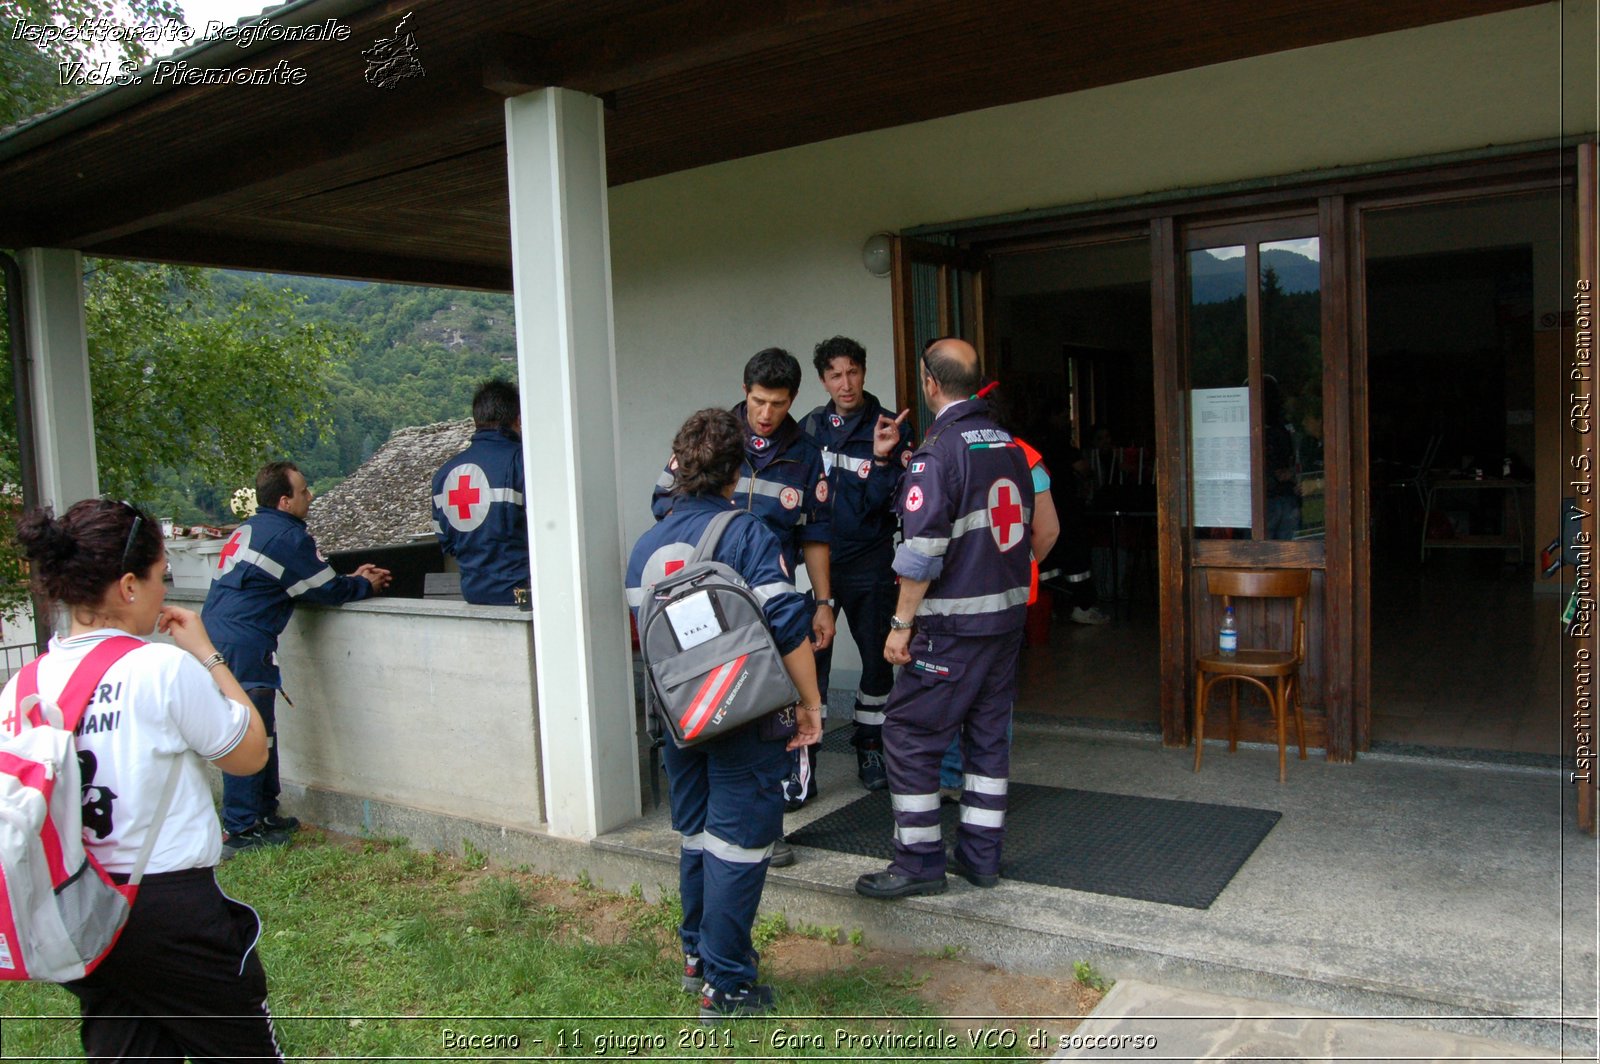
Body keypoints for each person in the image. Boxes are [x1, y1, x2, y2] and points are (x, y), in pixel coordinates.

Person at [2, 500, 283, 1060]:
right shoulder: (161, 668)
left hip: (79, 904)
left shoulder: (23, 687)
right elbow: (249, 754)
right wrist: (207, 654)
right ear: (129, 586)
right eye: (162, 576)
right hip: (168, 907)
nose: (164, 590)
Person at [628, 408, 824, 1022]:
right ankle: (729, 985)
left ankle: (697, 957)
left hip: (680, 718)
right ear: (736, 473)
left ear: (680, 468)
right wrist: (812, 706)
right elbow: (789, 624)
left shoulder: (645, 546)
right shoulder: (748, 532)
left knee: (695, 836)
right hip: (743, 711)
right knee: (739, 844)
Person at [856, 338, 1033, 899]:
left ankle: (918, 862)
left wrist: (900, 625)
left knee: (906, 733)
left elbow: (921, 551)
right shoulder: (1009, 445)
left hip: (949, 630)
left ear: (931, 383)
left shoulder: (941, 452)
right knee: (986, 741)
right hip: (1004, 624)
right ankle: (981, 857)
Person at [652, 349, 832, 836]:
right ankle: (732, 803)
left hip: (772, 589)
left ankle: (788, 790)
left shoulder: (807, 453)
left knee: (778, 688)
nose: (766, 413)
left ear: (793, 399)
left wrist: (822, 602)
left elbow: (815, 534)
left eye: (777, 403)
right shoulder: (713, 439)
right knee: (722, 692)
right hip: (708, 602)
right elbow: (663, 506)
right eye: (757, 401)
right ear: (744, 392)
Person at [203, 461, 392, 855]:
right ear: (285, 501)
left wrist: (348, 578)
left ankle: (264, 814)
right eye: (304, 491)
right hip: (245, 645)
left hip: (226, 638)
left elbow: (304, 582)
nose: (311, 496)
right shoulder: (286, 537)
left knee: (263, 732)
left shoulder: (252, 529)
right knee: (247, 731)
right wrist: (364, 584)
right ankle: (241, 829)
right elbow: (327, 590)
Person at [801, 336, 912, 792]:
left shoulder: (889, 428)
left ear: (864, 372)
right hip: (818, 566)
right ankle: (805, 758)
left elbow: (887, 506)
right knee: (810, 663)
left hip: (870, 564)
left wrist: (883, 459)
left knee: (876, 662)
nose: (845, 384)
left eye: (852, 372)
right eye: (834, 375)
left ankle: (870, 745)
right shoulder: (808, 428)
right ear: (823, 380)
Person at [937, 382, 1058, 801]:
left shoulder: (950, 447)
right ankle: (988, 781)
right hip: (1009, 596)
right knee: (995, 692)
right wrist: (1019, 566)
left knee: (949, 684)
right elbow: (1048, 531)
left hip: (959, 594)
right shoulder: (1026, 456)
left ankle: (950, 776)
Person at [431, 379, 531, 605]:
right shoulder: (523, 462)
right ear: (518, 419)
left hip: (473, 596)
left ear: (476, 420)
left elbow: (446, 542)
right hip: (524, 596)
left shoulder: (444, 475)